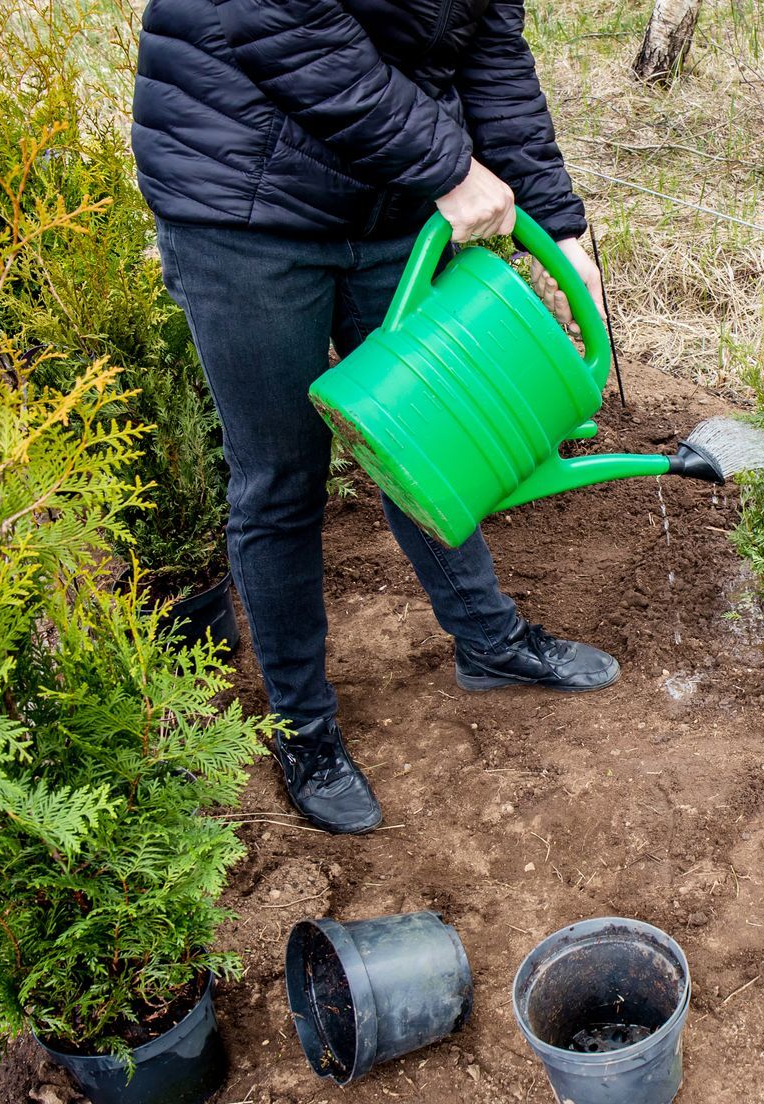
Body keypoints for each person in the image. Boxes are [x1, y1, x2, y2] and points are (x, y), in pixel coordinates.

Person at [132, 0, 618, 836]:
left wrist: (562, 229)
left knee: (429, 436)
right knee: (281, 479)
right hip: (245, 199)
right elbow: (281, 22)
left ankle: (488, 641)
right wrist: (450, 166)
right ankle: (302, 728)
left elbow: (490, 51)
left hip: (392, 196)